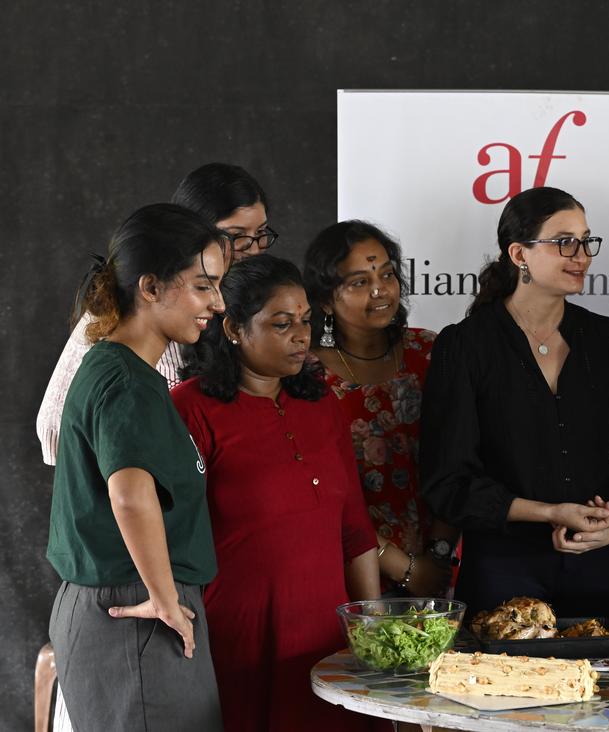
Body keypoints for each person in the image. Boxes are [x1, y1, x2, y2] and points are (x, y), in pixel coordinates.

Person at [420, 186, 609, 620]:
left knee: (600, 687)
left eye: (587, 240)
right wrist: (550, 512)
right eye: (564, 242)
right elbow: (448, 481)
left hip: (601, 566)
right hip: (502, 569)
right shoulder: (464, 345)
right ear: (519, 255)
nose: (582, 255)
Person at [173, 254, 380, 731]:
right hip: (242, 637)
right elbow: (171, 532)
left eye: (306, 321)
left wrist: (368, 626)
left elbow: (354, 527)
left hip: (329, 635)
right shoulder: (190, 408)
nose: (302, 336)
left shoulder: (322, 403)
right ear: (232, 329)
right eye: (282, 324)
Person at [46, 203, 226, 731]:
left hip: (128, 605)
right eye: (203, 286)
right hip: (135, 608)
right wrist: (165, 600)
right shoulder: (125, 380)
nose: (216, 303)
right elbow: (129, 495)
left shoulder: (124, 369)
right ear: (150, 288)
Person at [36, 162, 276, 464]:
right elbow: (58, 431)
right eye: (237, 236)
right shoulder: (130, 319)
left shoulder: (254, 303)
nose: (253, 250)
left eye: (262, 234)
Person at [303, 220, 457, 597]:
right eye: (358, 282)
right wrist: (401, 566)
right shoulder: (306, 375)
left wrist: (436, 558)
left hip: (442, 564)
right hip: (352, 569)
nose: (379, 290)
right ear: (325, 299)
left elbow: (460, 459)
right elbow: (317, 491)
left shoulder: (429, 352)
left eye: (387, 274)